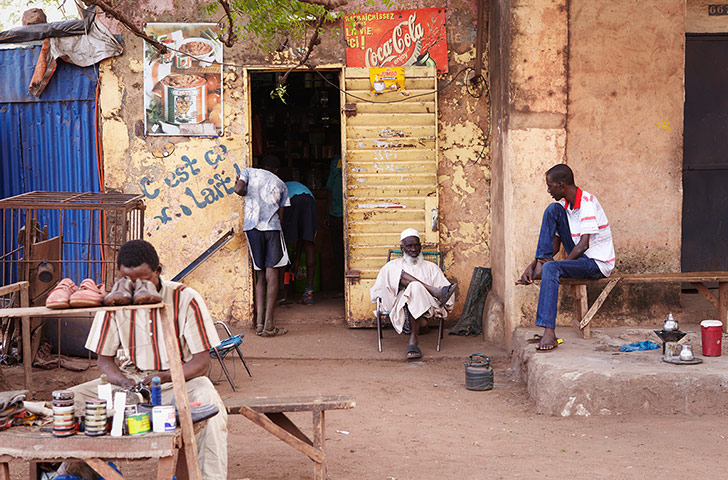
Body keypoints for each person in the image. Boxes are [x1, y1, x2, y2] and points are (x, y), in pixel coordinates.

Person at [70, 240, 228, 479]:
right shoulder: (116, 302)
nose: (134, 287)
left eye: (143, 279)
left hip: (179, 382)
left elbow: (201, 363)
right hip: (134, 380)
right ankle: (70, 472)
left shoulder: (186, 298)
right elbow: (104, 361)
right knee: (68, 402)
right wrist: (124, 382)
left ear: (158, 271)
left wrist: (164, 376)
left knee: (209, 404)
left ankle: (207, 477)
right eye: (128, 280)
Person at [516, 164, 615, 351]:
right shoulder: (564, 207)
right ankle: (542, 263)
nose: (548, 190)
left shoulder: (587, 202)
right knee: (551, 210)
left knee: (551, 268)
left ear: (561, 186)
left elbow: (584, 245)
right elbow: (554, 246)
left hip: (596, 263)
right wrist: (535, 262)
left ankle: (549, 333)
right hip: (579, 257)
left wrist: (556, 267)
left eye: (550, 185)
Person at [370, 228, 457, 359]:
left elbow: (447, 295)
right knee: (397, 274)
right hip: (398, 304)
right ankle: (433, 291)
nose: (414, 249)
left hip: (427, 304)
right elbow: (379, 291)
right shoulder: (392, 266)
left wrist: (419, 290)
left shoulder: (431, 267)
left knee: (415, 287)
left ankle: (413, 340)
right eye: (409, 246)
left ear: (420, 246)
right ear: (402, 248)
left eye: (416, 245)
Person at [235, 155, 290, 337]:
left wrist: (239, 185)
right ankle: (269, 325)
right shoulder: (281, 183)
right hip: (272, 229)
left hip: (252, 228)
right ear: (276, 169)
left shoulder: (248, 172)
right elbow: (282, 216)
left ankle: (259, 324)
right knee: (271, 272)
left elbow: (239, 189)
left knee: (259, 274)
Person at [283, 180, 317, 305]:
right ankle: (309, 293)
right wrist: (297, 259)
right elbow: (302, 238)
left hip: (291, 201)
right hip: (309, 200)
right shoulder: (300, 187)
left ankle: (283, 292)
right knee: (309, 243)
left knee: (285, 244)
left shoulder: (279, 185)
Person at [325, 155, 344, 294]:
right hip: (336, 213)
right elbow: (329, 189)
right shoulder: (335, 162)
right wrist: (329, 211)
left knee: (343, 252)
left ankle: (344, 288)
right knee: (338, 252)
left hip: (346, 214)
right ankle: (341, 287)